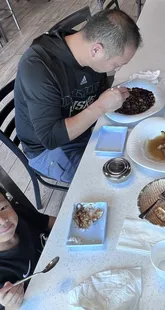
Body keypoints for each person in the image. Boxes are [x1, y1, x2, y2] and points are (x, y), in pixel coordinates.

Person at [14, 9, 142, 183]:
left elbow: (99, 93)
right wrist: (101, 106)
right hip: (49, 149)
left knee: (137, 151)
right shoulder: (38, 66)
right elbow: (51, 138)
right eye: (117, 64)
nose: (116, 69)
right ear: (96, 50)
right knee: (108, 180)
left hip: (84, 130)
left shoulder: (85, 49)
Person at [0, 186, 56, 310]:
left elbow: (50, 222)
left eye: (3, 208)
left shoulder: (20, 214)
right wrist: (11, 305)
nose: (3, 221)